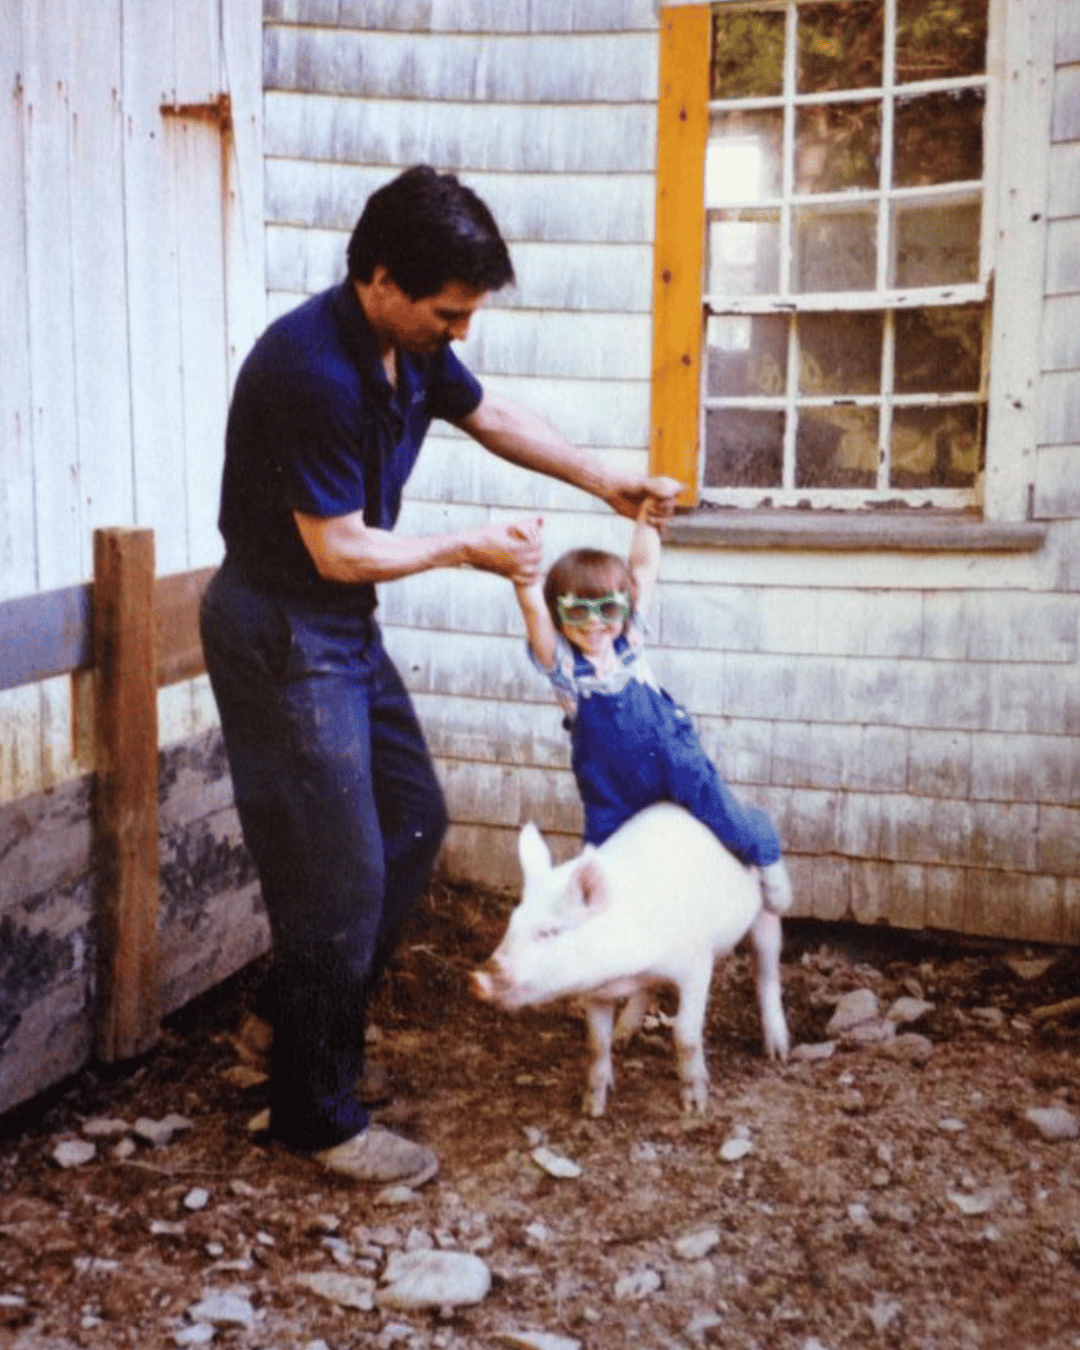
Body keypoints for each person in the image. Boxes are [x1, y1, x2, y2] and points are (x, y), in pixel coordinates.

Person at [198, 164, 680, 1187]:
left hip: (339, 625)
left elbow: (489, 411)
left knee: (413, 819)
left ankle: (287, 1023)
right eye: (448, 312)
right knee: (341, 875)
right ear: (380, 278)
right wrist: (469, 545)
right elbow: (337, 550)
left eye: (469, 314)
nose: (460, 332)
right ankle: (316, 1117)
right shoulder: (310, 371)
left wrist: (606, 478)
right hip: (284, 627)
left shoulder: (408, 348)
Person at [512, 500, 794, 914]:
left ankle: (765, 853)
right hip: (608, 785)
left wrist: (646, 522)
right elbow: (533, 611)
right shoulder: (564, 666)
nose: (594, 623)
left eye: (608, 608)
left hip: (670, 756)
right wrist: (523, 573)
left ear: (624, 609)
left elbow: (642, 567)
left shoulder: (630, 642)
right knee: (602, 855)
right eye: (577, 611)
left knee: (717, 809)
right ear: (558, 616)